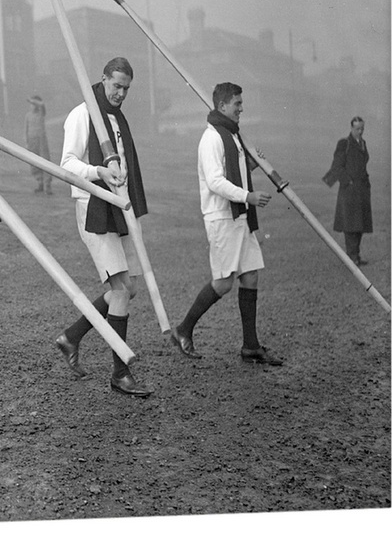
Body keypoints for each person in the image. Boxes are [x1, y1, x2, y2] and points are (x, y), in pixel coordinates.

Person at [54, 57, 152, 397]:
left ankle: (71, 336)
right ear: (103, 78)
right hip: (94, 209)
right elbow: (66, 164)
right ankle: (120, 373)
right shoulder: (82, 114)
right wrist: (100, 172)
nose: (121, 94)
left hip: (119, 209)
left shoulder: (117, 117)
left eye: (126, 88)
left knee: (128, 290)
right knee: (121, 291)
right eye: (116, 86)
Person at [169, 82, 282, 365]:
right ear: (222, 106)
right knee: (223, 283)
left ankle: (250, 346)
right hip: (222, 217)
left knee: (251, 275)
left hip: (241, 216)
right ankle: (183, 330)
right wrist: (249, 196)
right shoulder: (211, 138)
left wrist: (252, 165)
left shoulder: (233, 136)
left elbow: (236, 172)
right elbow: (216, 181)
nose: (241, 108)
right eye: (237, 104)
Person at [323, 116, 372, 266]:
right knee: (350, 225)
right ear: (351, 128)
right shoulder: (344, 144)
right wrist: (348, 182)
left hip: (362, 190)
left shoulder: (362, 143)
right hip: (349, 191)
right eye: (357, 129)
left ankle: (356, 255)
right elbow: (337, 166)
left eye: (362, 128)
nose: (360, 131)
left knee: (360, 224)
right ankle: (351, 257)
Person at [25, 94, 53, 194]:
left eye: (34, 104)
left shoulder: (40, 112)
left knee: (45, 161)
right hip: (32, 140)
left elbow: (42, 105)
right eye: (31, 104)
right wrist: (27, 142)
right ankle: (40, 182)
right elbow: (26, 129)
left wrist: (32, 100)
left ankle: (47, 185)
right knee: (34, 163)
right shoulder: (28, 115)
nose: (32, 106)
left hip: (41, 140)